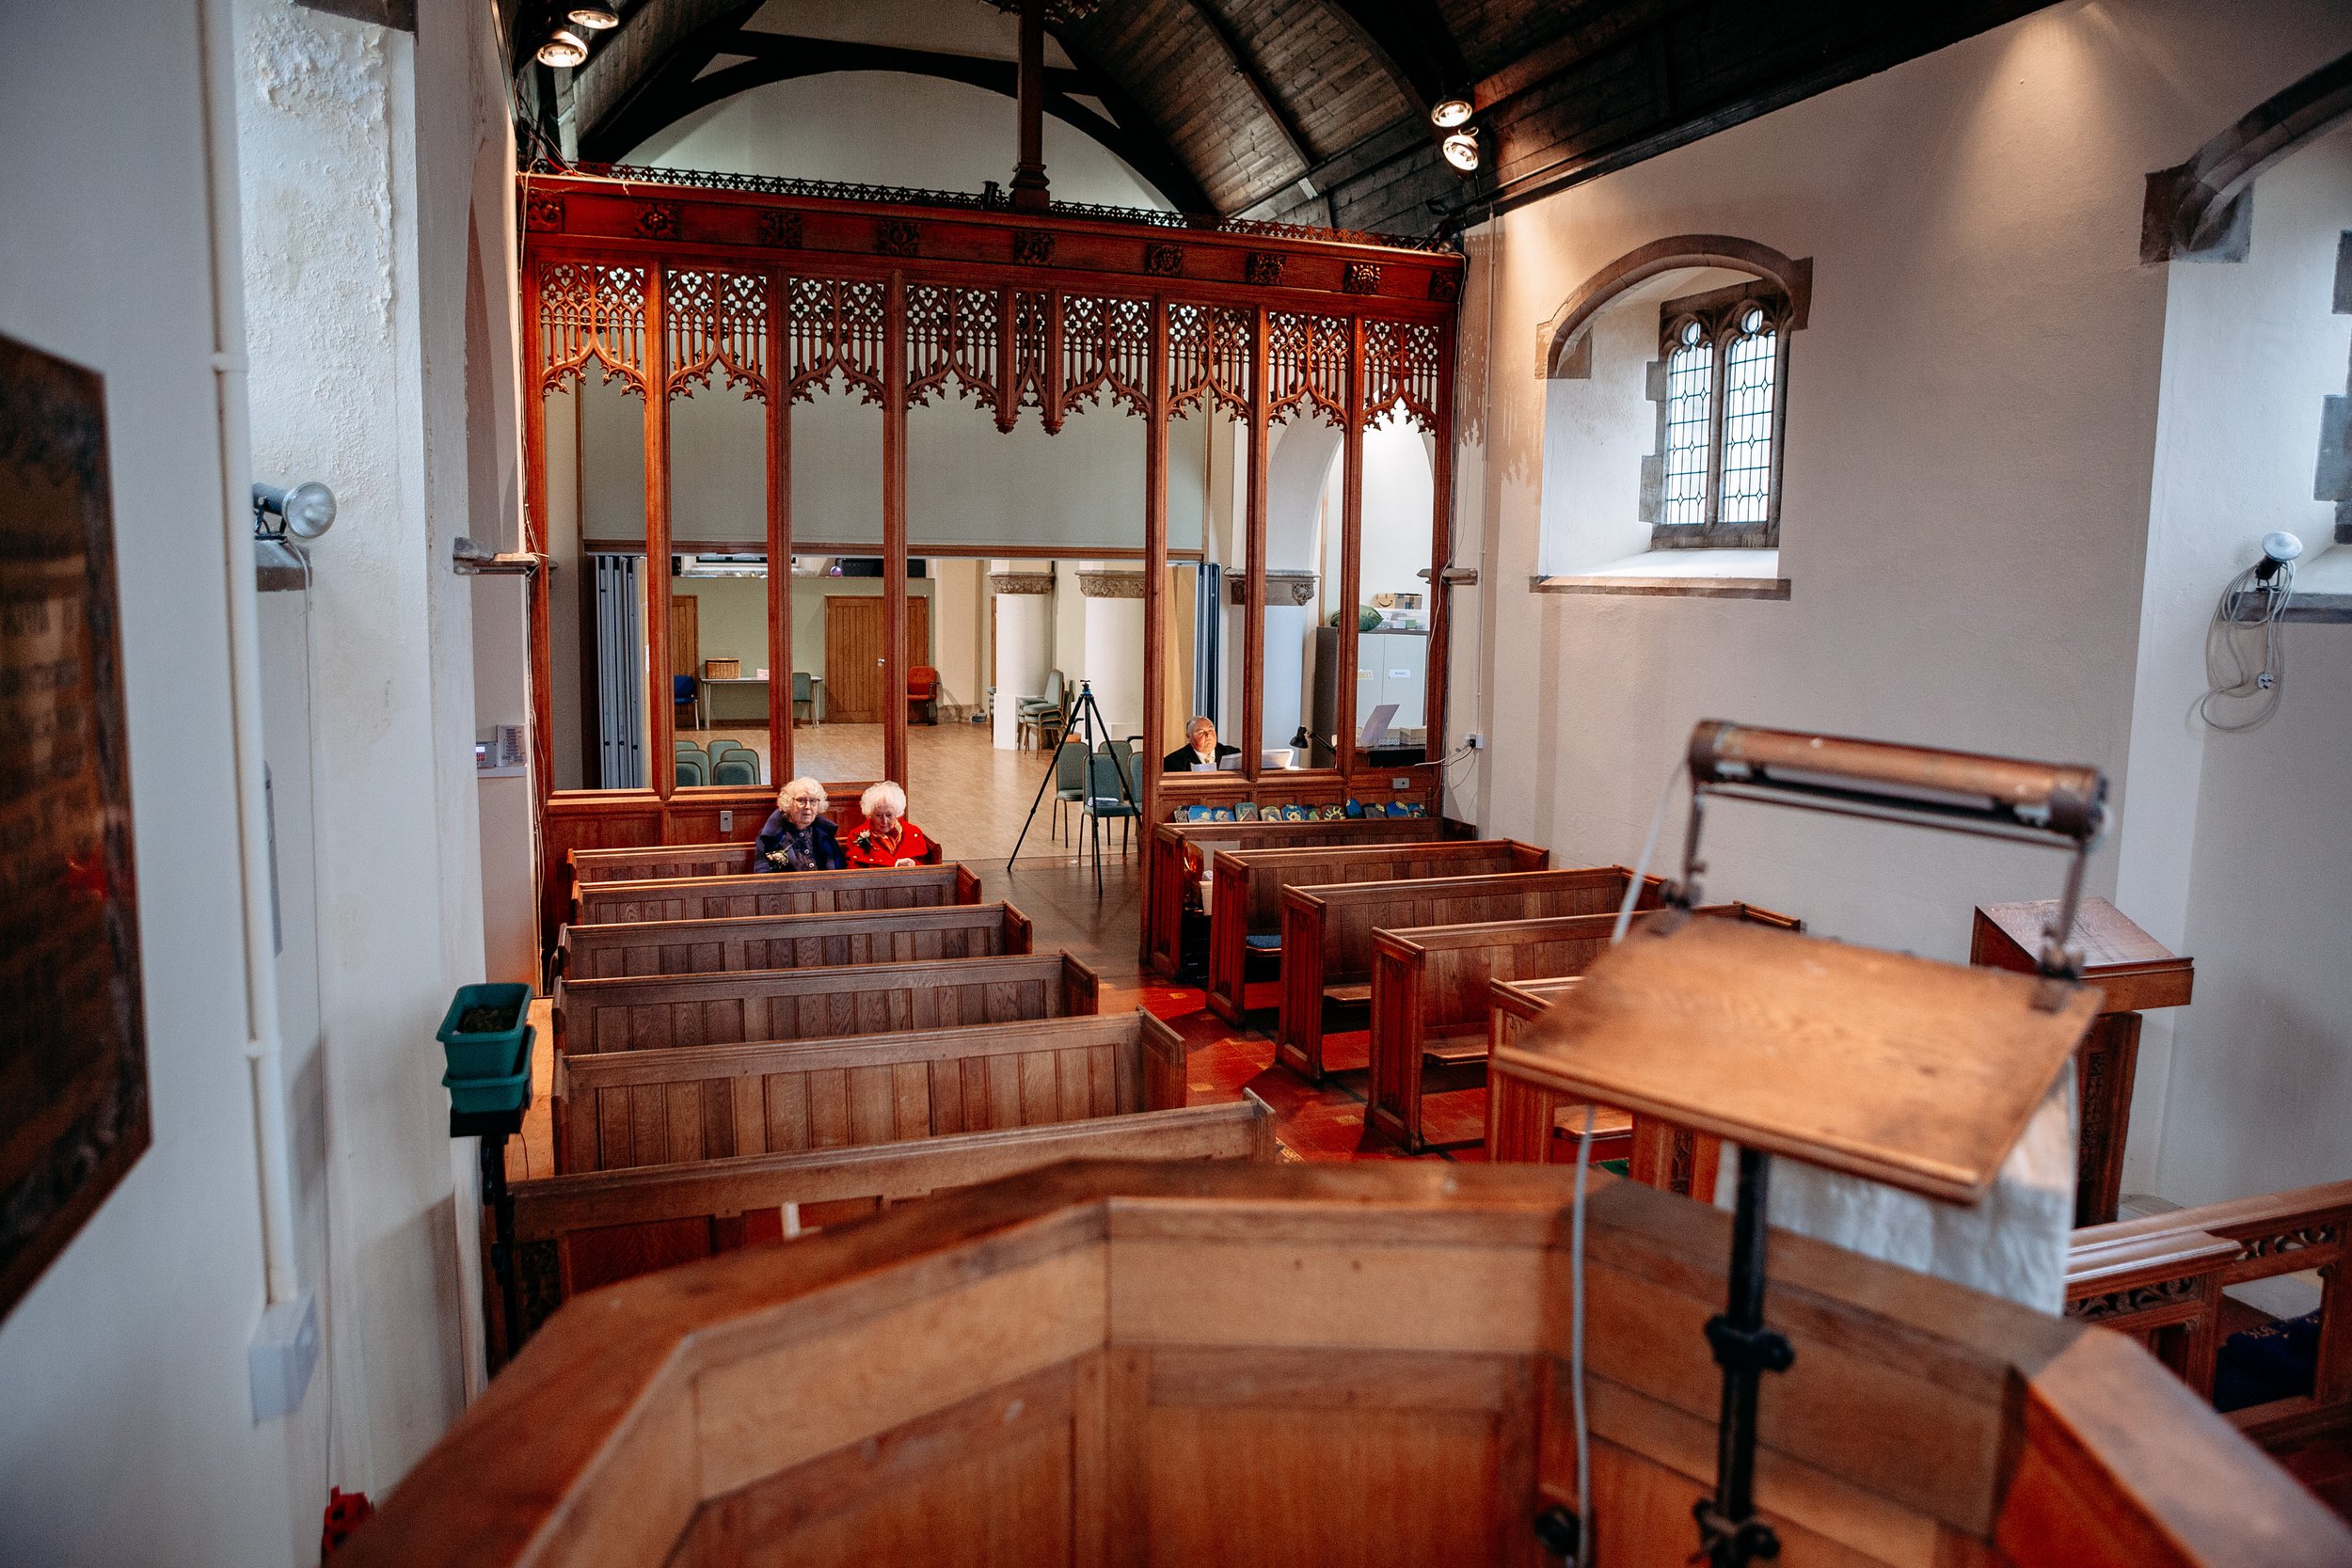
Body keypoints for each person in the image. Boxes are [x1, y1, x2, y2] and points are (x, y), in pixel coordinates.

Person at [754, 777, 847, 872]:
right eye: (801, 800)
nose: (808, 807)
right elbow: (762, 874)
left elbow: (841, 870)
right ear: (789, 803)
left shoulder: (825, 832)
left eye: (813, 801)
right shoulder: (771, 835)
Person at [845, 780, 932, 867]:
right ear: (870, 814)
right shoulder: (856, 835)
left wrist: (913, 864)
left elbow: (924, 867)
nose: (884, 821)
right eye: (878, 815)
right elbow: (853, 870)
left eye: (889, 815)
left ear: (897, 813)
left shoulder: (913, 832)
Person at [1164, 715, 1242, 773]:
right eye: (1201, 732)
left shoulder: (1232, 754)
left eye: (1210, 730)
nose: (1207, 735)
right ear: (1188, 736)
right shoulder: (1173, 762)